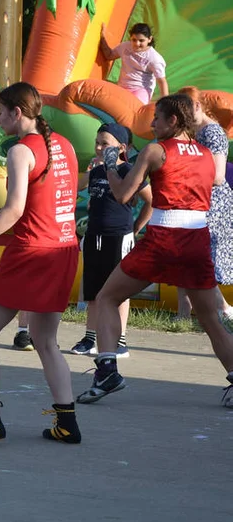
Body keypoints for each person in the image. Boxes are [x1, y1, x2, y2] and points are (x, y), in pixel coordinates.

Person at [76, 95, 233, 407]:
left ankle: (107, 370)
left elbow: (122, 195)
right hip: (196, 239)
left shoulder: (156, 150)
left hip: (163, 239)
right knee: (209, 317)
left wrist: (110, 164)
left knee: (107, 297)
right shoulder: (204, 153)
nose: (151, 125)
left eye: (157, 119)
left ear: (173, 120)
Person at [0, 82, 82, 445]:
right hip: (65, 250)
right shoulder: (65, 146)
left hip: (31, 252)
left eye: (0, 112)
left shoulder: (22, 151)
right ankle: (67, 422)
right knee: (46, 341)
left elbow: (13, 210)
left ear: (17, 113)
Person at [69, 123, 152, 358]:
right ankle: (90, 338)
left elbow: (151, 201)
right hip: (95, 236)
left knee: (118, 290)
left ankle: (120, 340)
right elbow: (75, 188)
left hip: (119, 237)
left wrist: (136, 228)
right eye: (97, 142)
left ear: (121, 147)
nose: (98, 147)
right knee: (93, 289)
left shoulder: (128, 171)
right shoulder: (95, 171)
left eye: (104, 143)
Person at [173, 86, 233, 324]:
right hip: (196, 201)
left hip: (212, 204)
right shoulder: (195, 133)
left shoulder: (213, 132)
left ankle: (223, 308)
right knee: (184, 257)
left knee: (195, 259)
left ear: (197, 106)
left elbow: (218, 176)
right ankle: (184, 313)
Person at [99, 22, 168, 105]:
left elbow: (162, 81)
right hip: (123, 87)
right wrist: (102, 37)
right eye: (134, 40)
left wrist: (165, 103)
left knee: (132, 107)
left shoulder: (154, 58)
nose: (137, 44)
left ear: (149, 39)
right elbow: (109, 55)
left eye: (141, 40)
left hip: (141, 90)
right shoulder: (125, 47)